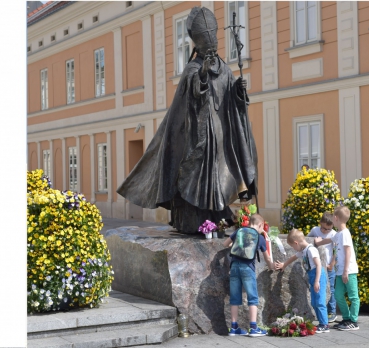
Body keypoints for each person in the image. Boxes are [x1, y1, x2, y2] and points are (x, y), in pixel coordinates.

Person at [116, 6, 257, 233]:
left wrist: (239, 92)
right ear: (197, 42)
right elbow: (193, 89)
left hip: (222, 141)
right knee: (196, 178)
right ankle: (193, 218)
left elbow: (234, 104)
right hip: (200, 141)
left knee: (222, 178)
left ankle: (218, 215)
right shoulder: (192, 68)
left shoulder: (225, 70)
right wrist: (202, 73)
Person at [223, 213, 275, 337]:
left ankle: (234, 328)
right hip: (247, 268)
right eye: (263, 227)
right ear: (260, 224)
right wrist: (271, 266)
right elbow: (267, 257)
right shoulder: (260, 237)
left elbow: (226, 244)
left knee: (234, 298)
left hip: (234, 267)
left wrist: (233, 244)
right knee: (253, 297)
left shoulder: (239, 231)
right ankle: (253, 327)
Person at [275, 229, 330, 333]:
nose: (293, 249)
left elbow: (318, 265)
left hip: (318, 276)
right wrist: (284, 264)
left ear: (296, 243)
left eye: (293, 246)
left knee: (320, 301)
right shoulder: (303, 250)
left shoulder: (311, 250)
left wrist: (317, 281)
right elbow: (293, 257)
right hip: (312, 276)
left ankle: (325, 324)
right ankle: (321, 323)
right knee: (314, 302)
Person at [315, 206, 360, 331]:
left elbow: (348, 252)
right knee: (339, 295)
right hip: (340, 271)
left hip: (349, 271)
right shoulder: (339, 233)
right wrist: (318, 242)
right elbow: (329, 240)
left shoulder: (345, 234)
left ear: (336, 218)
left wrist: (346, 271)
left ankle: (353, 321)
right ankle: (346, 319)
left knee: (353, 296)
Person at [307, 211, 337, 323]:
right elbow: (308, 241)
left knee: (331, 289)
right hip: (317, 265)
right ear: (320, 223)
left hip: (328, 265)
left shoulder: (333, 234)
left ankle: (332, 311)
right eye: (323, 228)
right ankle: (319, 310)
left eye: (327, 229)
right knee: (319, 288)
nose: (324, 231)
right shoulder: (315, 230)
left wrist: (332, 263)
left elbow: (335, 250)